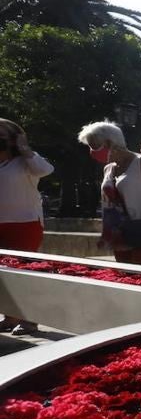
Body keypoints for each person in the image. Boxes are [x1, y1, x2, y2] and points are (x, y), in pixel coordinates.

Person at [78, 121, 141, 267]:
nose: (92, 151)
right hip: (120, 236)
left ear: (109, 143)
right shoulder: (108, 168)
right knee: (125, 280)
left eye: (94, 146)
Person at [0, 118, 54, 334]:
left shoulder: (26, 162)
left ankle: (29, 320)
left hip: (25, 224)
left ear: (14, 139)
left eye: (3, 135)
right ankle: (10, 317)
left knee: (23, 274)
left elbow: (46, 169)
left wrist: (24, 148)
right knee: (3, 275)